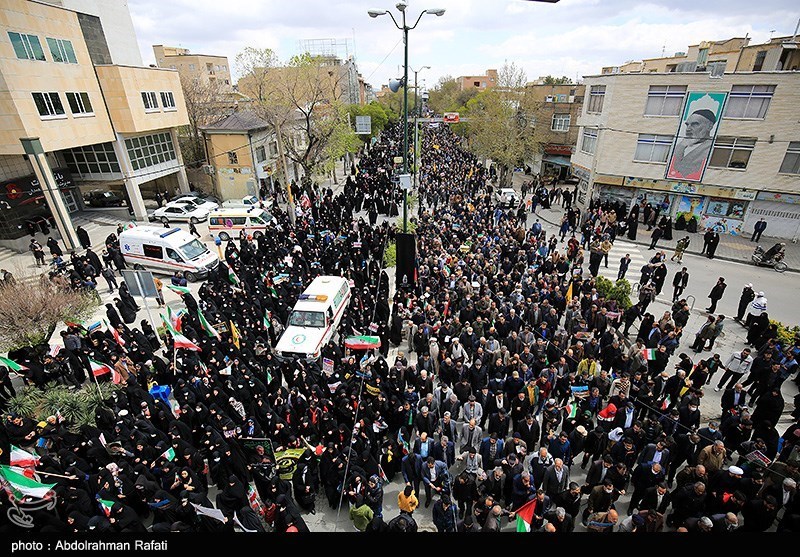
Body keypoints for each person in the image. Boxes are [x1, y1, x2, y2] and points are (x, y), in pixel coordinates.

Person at [667, 108, 717, 180]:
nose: (688, 128)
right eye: (687, 125)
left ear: (709, 126)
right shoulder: (682, 144)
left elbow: (681, 170)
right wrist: (681, 147)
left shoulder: (711, 147)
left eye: (695, 124)